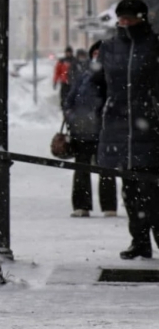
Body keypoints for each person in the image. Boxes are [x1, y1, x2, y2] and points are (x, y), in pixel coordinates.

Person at [95, 0, 159, 259]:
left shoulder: (154, 46)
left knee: (152, 191)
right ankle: (140, 241)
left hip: (151, 129)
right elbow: (96, 83)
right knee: (130, 191)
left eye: (130, 17)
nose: (124, 22)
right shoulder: (108, 48)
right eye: (121, 17)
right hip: (119, 129)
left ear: (142, 18)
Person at [63, 40, 117, 218]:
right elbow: (70, 99)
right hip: (82, 130)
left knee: (106, 169)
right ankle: (81, 206)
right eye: (94, 53)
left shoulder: (113, 76)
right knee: (81, 168)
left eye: (100, 53)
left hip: (104, 131)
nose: (97, 56)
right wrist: (71, 116)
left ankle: (109, 206)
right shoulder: (83, 76)